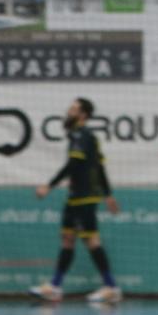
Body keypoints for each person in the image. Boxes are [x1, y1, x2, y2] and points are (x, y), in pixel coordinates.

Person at [29, 98, 122, 303]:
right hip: (74, 196)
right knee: (67, 239)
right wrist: (108, 195)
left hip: (85, 196)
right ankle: (54, 286)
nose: (69, 111)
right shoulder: (82, 136)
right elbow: (100, 166)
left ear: (83, 115)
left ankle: (111, 287)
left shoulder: (82, 135)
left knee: (91, 240)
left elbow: (74, 164)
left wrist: (49, 185)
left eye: (73, 109)